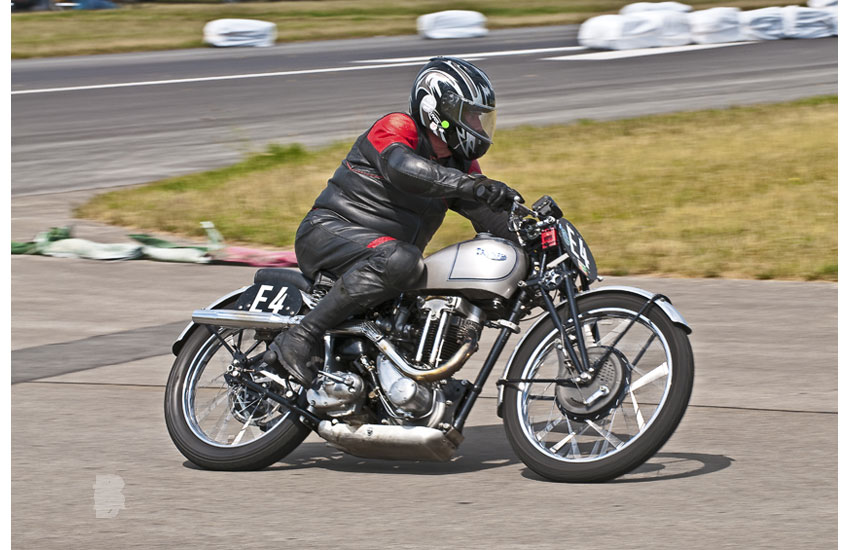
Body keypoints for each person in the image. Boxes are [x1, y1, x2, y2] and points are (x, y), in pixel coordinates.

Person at [267, 56, 523, 387]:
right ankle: (301, 336)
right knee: (402, 259)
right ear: (437, 109)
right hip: (329, 233)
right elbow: (404, 170)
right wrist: (472, 185)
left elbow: (491, 215)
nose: (476, 125)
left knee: (428, 290)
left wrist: (534, 234)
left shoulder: (459, 166)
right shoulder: (397, 127)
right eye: (470, 115)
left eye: (480, 117)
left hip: (381, 258)